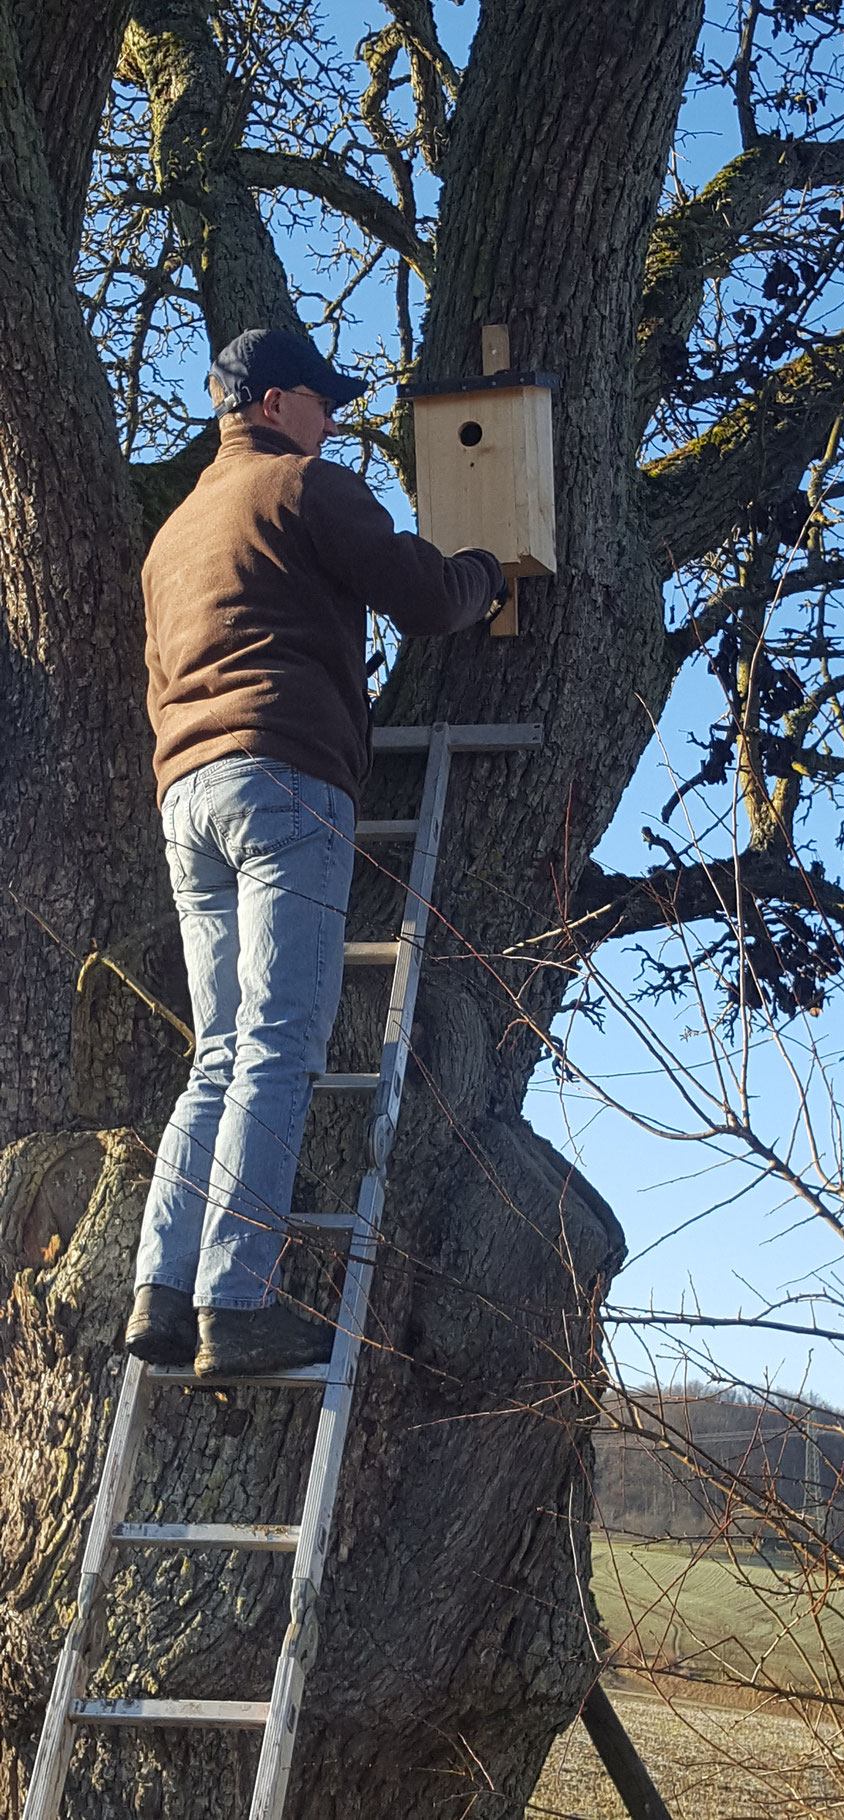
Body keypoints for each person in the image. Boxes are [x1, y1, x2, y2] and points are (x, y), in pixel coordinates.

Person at [125, 327, 506, 1378]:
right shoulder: (301, 485)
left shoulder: (172, 536)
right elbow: (422, 597)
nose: (334, 419)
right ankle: (236, 1302)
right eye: (324, 402)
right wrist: (487, 571)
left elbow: (160, 676)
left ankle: (162, 1290)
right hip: (283, 775)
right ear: (279, 401)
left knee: (217, 1049)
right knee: (280, 1043)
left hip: (185, 794)